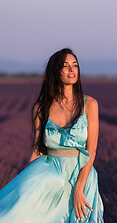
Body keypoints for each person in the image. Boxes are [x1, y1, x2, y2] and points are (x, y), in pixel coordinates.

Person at [0, 48, 104, 222]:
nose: (72, 70)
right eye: (66, 66)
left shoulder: (90, 104)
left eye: (75, 65)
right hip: (50, 176)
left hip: (82, 176)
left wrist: (79, 188)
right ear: (55, 72)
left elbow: (91, 151)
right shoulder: (41, 109)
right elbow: (37, 150)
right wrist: (25, 182)